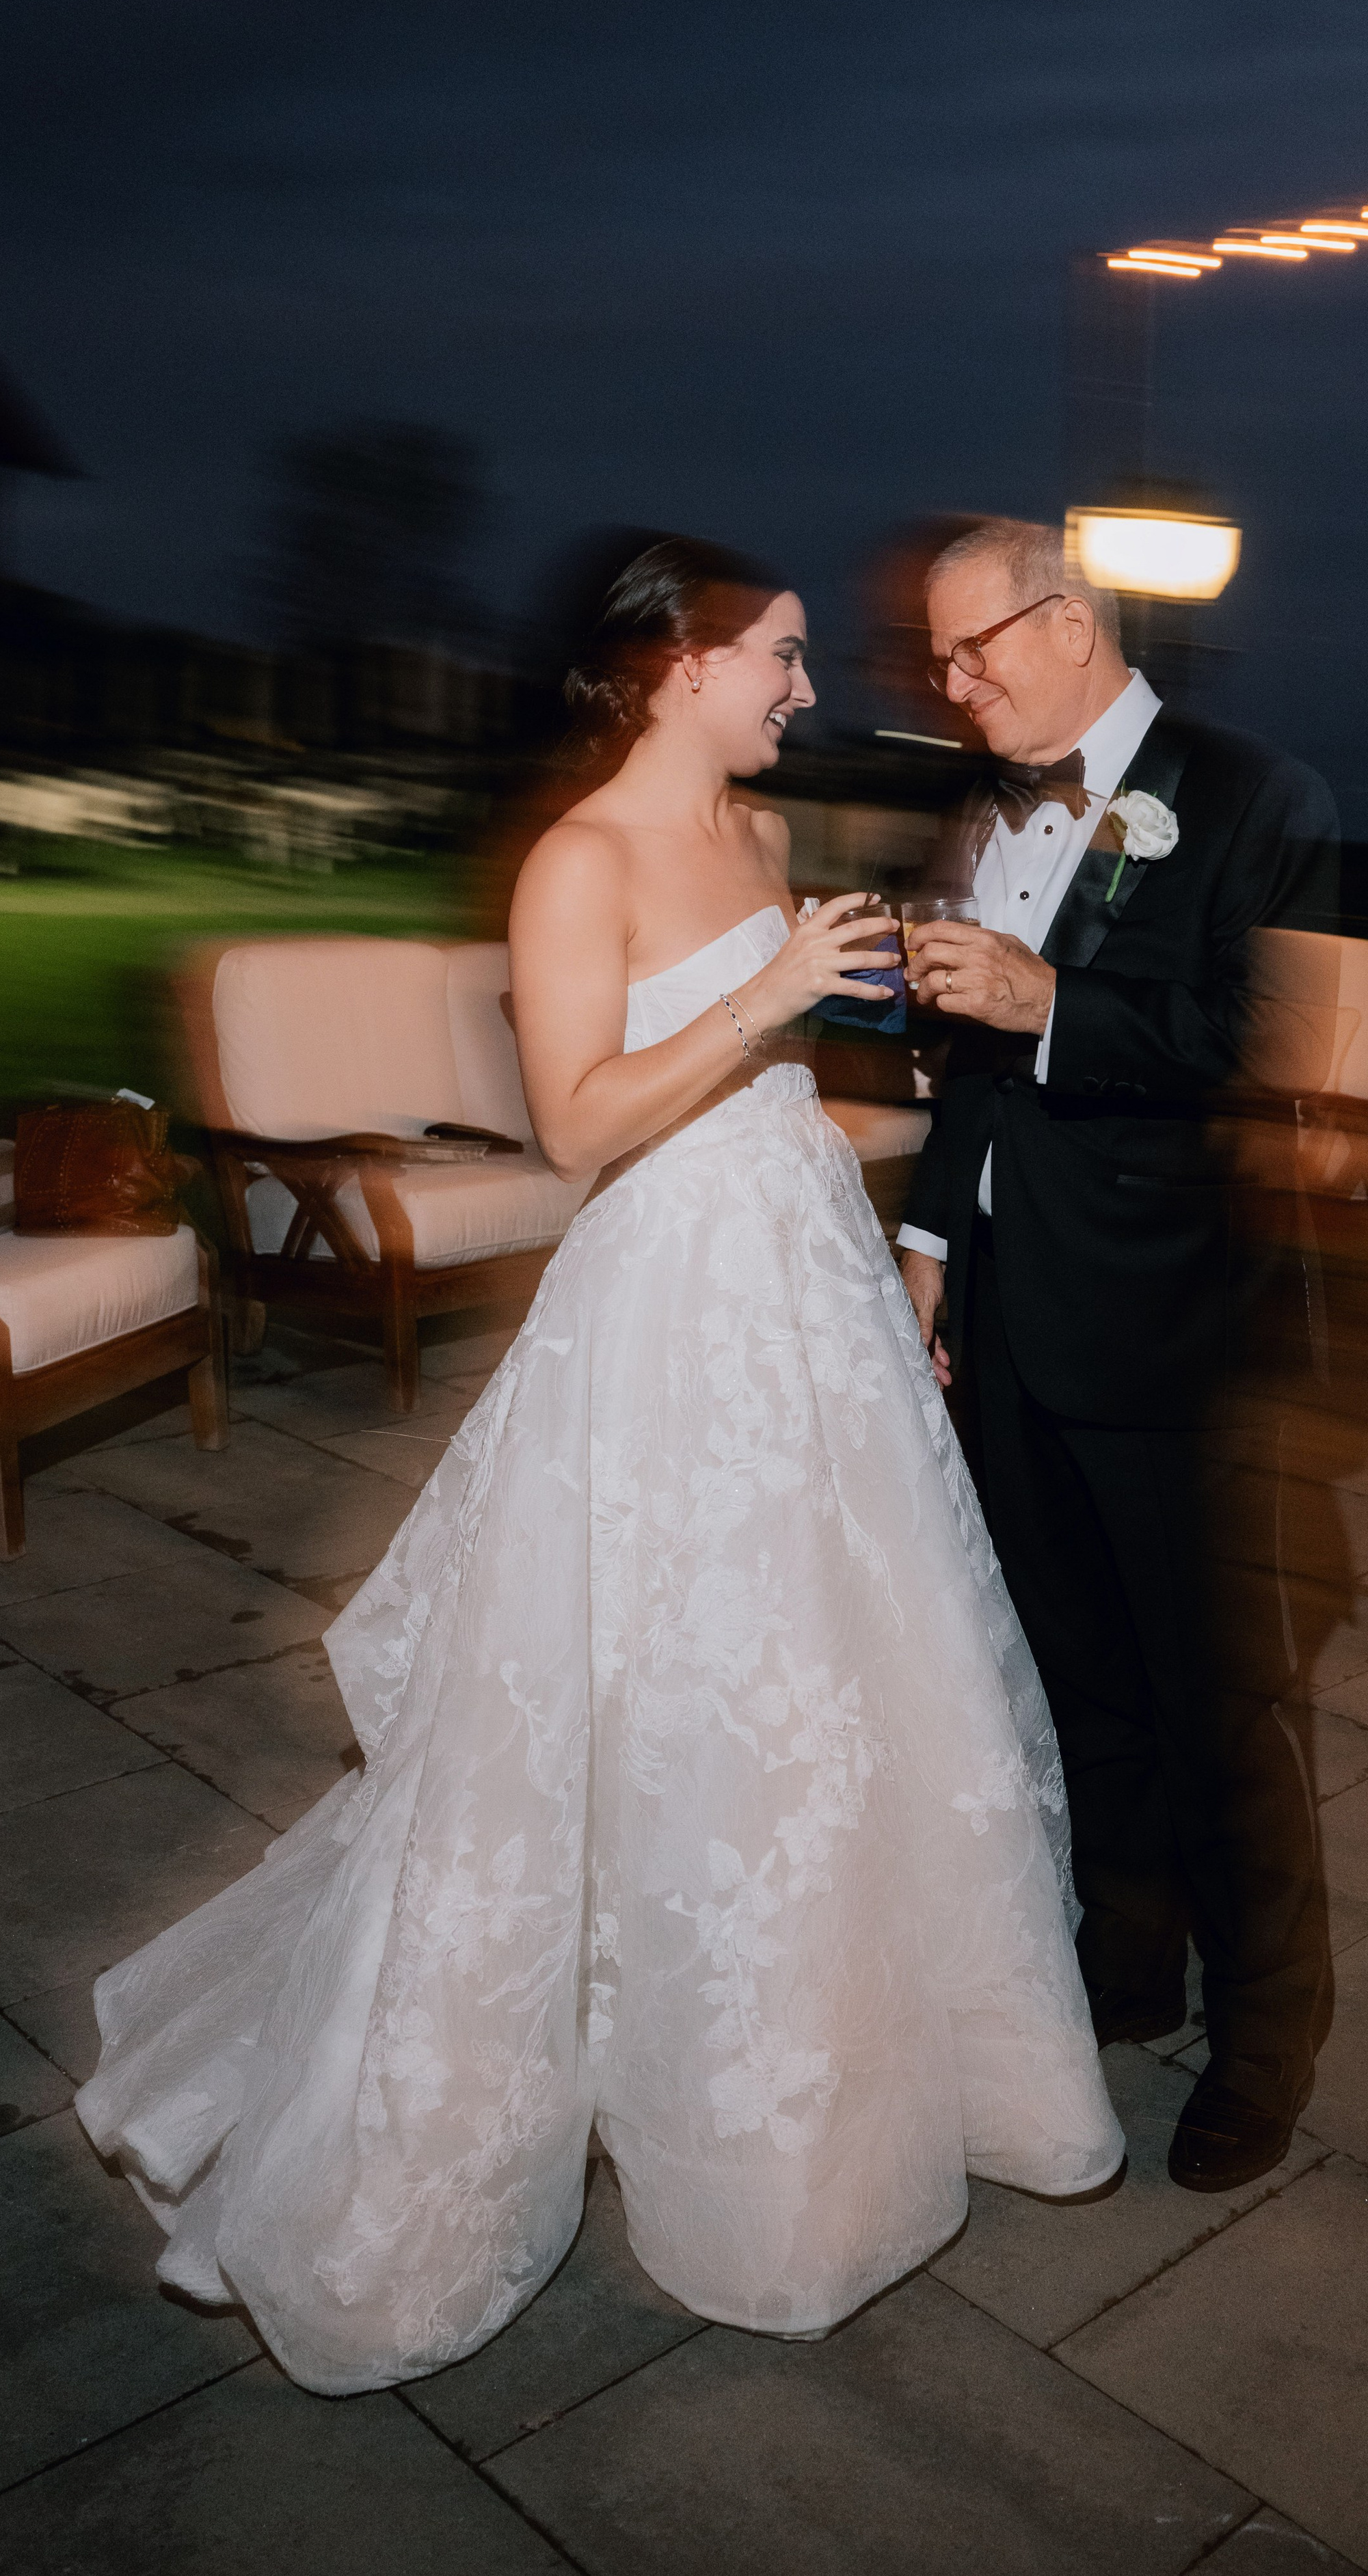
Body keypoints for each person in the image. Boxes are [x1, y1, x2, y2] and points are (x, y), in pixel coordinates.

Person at [76, 535, 1123, 2397]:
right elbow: (576, 1125)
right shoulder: (579, 862)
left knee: (841, 1674)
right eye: (783, 655)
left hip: (804, 1267)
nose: (807, 687)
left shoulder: (766, 839)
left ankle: (845, 2062)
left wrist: (874, 1011)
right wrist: (766, 994)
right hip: (666, 1300)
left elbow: (785, 1052)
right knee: (643, 1677)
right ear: (675, 665)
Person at [895, 516, 1337, 2195]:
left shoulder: (1252, 794)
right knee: (1075, 1675)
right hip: (1010, 1309)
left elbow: (1264, 1044)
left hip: (1174, 1331)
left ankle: (1268, 2032)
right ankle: (1126, 1962)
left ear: (1064, 621)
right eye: (937, 661)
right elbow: (965, 1063)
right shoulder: (978, 810)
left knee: (1214, 1699)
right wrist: (933, 1248)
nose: (953, 686)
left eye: (973, 650)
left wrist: (1051, 1005)